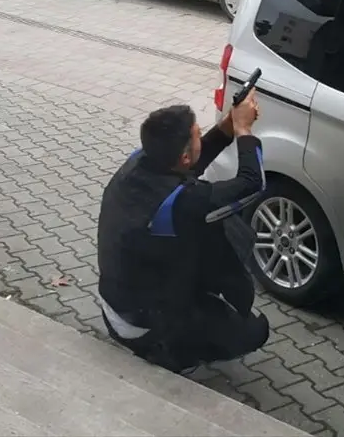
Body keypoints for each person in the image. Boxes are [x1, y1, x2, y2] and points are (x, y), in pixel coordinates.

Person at [96, 96, 270, 373]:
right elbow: (252, 183)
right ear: (184, 156)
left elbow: (189, 164)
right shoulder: (183, 203)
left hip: (115, 305)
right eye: (199, 133)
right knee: (255, 329)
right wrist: (244, 131)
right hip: (141, 324)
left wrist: (227, 126)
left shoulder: (139, 162)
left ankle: (172, 332)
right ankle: (171, 354)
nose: (202, 133)